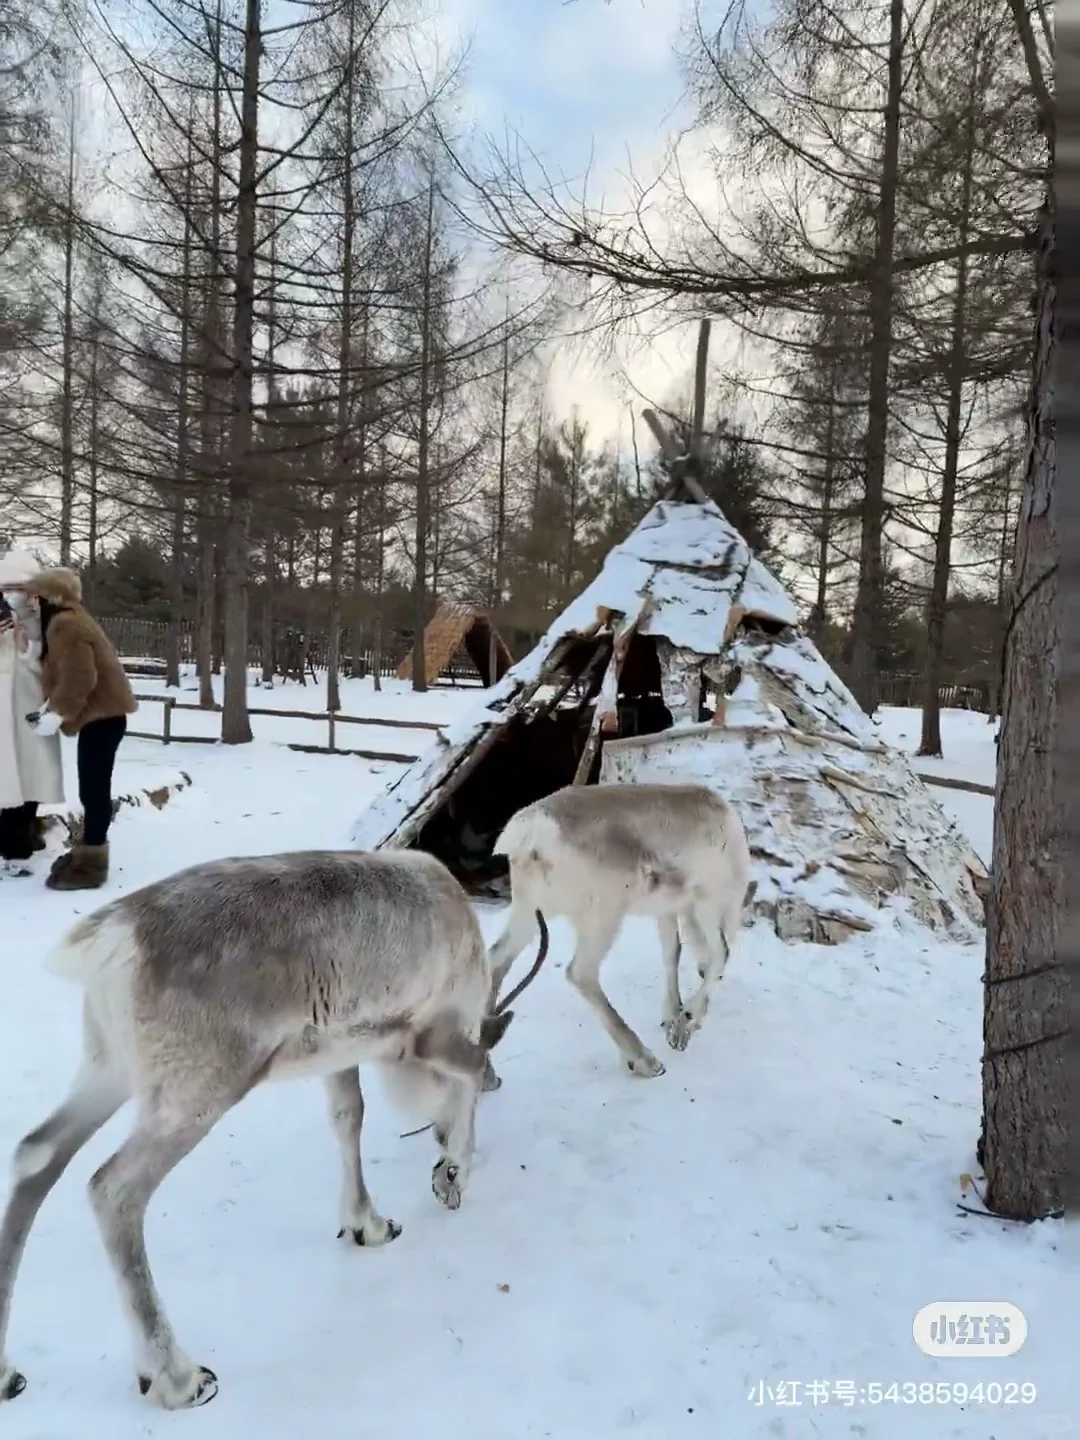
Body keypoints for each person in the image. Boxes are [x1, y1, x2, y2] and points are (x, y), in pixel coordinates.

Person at [19, 567, 137, 890]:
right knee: (93, 790)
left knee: (94, 792)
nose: (29, 602)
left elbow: (80, 677)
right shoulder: (68, 620)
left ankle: (92, 865)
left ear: (50, 597)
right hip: (103, 718)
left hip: (103, 718)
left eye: (34, 596)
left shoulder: (65, 624)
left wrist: (56, 713)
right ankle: (88, 851)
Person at [0, 548, 64, 878]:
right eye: (7, 587)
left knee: (31, 781)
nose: (13, 595)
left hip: (31, 710)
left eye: (20, 587)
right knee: (7, 782)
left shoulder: (46, 618)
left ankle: (20, 844)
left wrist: (29, 635)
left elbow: (44, 662)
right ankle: (13, 849)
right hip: (3, 714)